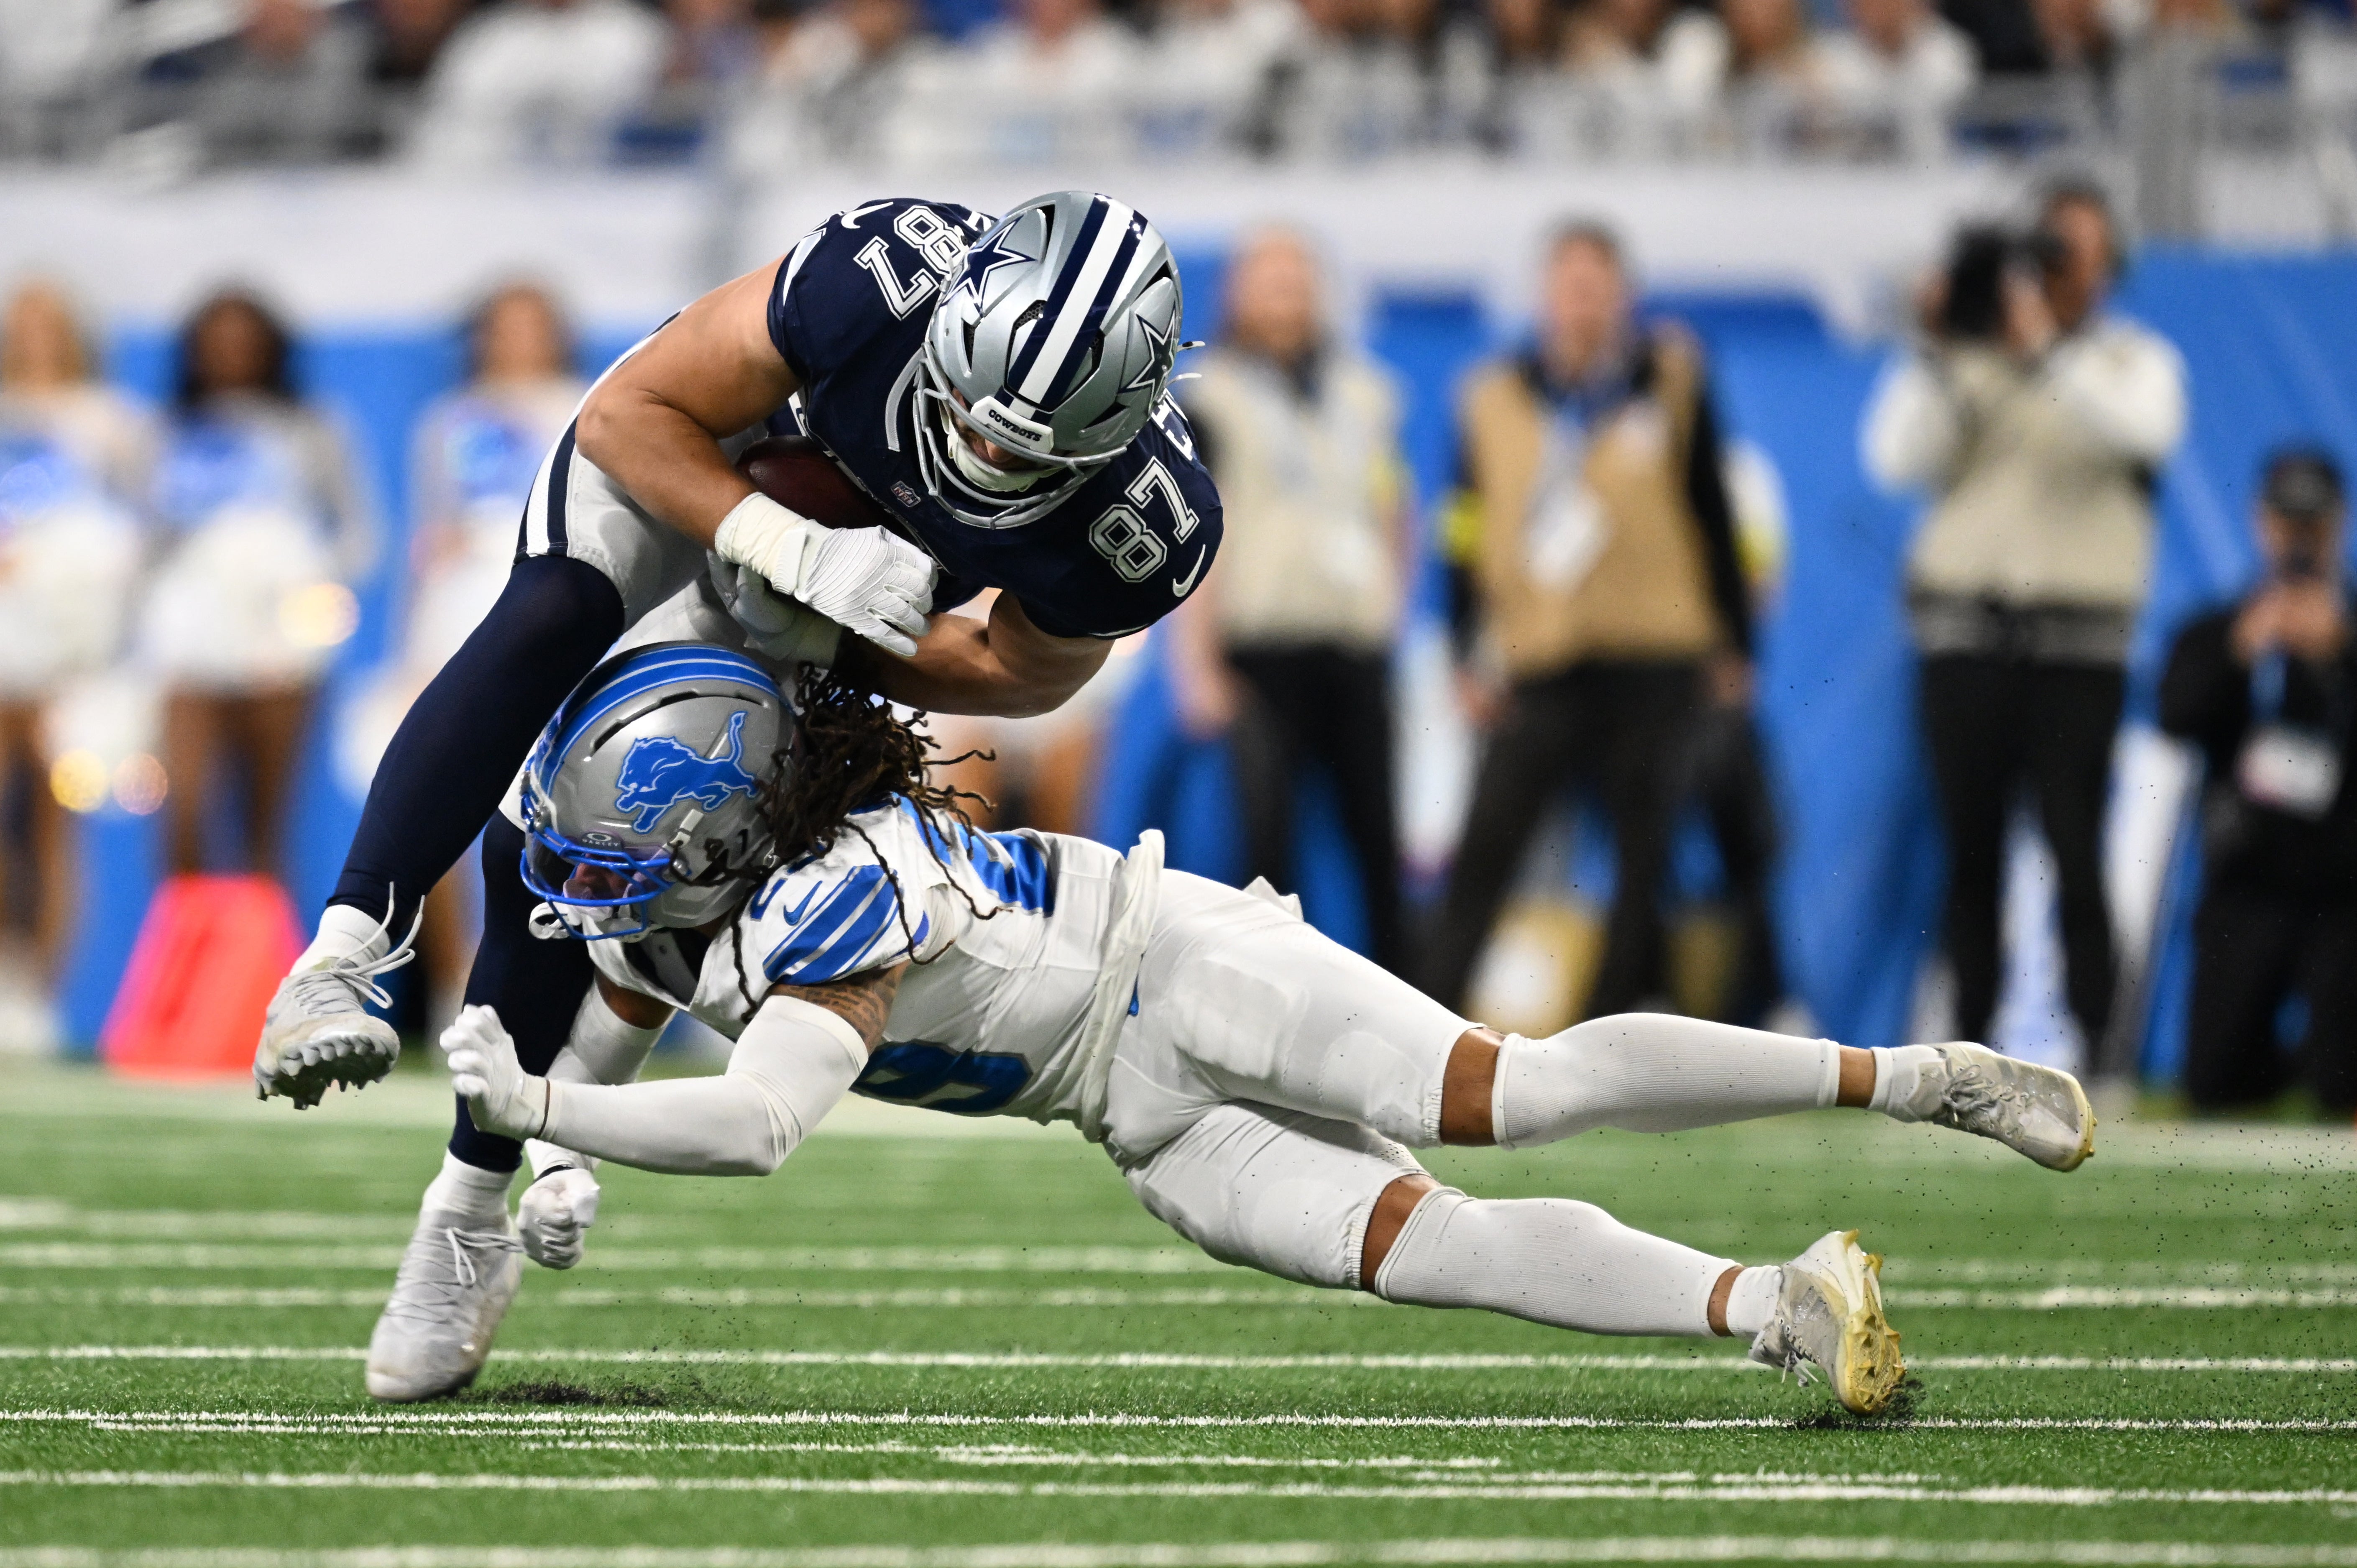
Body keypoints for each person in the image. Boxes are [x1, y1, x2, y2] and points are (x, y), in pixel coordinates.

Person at [365, 629, 2096, 1412]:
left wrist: (544, 1126)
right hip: (1127, 1112)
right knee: (1439, 1249)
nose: (586, 876)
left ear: (722, 826)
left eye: (618, 839)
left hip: (1177, 964)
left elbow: (742, 1121)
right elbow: (587, 1071)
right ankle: (1775, 1303)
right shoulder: (697, 917)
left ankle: (1917, 1074)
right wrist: (549, 1169)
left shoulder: (836, 881)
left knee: (1520, 1090)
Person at [254, 187, 1219, 1209]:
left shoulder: (1145, 522)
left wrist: (829, 633)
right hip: (705, 452)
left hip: (854, 593)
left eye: (1027, 453)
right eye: (967, 412)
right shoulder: (881, 280)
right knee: (553, 616)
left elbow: (1013, 670)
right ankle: (339, 956)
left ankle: (472, 1197)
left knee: (622, 803)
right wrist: (782, 541)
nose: (984, 453)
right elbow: (633, 413)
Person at [1862, 180, 2186, 1063]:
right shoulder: (1972, 362)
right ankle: (1967, 1057)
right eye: (2043, 250)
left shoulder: (2131, 360)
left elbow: (2147, 432)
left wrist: (2043, 347)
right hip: (1965, 637)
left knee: (2075, 849)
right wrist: (1936, 347)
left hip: (2078, 648)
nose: (2056, 269)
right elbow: (1893, 459)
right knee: (1969, 853)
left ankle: (2098, 1046)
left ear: (2108, 265)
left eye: (2073, 251)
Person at [1427, 222, 1753, 1022]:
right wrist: (1464, 650)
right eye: (1570, 285)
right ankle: (1429, 1015)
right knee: (1486, 847)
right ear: (1544, 296)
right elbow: (1463, 531)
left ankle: (1622, 1030)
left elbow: (1714, 512)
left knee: (1648, 855)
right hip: (1541, 654)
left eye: (1599, 286)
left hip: (1655, 653)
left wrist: (1737, 640)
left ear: (1625, 298)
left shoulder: (1670, 380)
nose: (1584, 303)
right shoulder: (1492, 395)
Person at [1169, 228, 1412, 973]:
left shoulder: (1366, 393)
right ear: (1239, 292)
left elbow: (1395, 507)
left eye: (1298, 278)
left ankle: (1418, 1022)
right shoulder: (1214, 399)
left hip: (1351, 646)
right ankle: (1269, 1013)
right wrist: (1196, 663)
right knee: (1267, 849)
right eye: (1269, 279)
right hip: (1260, 654)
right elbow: (1192, 533)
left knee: (1378, 842)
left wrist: (1390, 603)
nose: (1286, 295)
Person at [378, 283, 588, 1021]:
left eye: (533, 325)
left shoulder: (586, 402)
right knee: (442, 795)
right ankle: (451, 989)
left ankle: (563, 985)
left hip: (551, 599)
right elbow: (426, 541)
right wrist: (407, 653)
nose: (517, 341)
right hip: (456, 609)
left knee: (564, 801)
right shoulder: (449, 422)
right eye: (503, 327)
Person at [145, 289, 376, 885]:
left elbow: (359, 532)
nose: (231, 353)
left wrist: (305, 579)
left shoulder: (310, 429)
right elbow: (143, 534)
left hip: (280, 642)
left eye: (245, 339)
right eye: (217, 340)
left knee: (266, 826)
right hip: (188, 641)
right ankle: (190, 963)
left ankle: (263, 972)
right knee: (184, 816)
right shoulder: (168, 430)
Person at [2158, 448, 2357, 1118]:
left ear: (2338, 525)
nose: (2299, 539)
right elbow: (2175, 714)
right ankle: (2283, 1069)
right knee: (2214, 1084)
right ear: (2261, 523)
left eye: (2314, 524)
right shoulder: (2220, 629)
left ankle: (2320, 1066)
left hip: (2345, 891)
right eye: (2287, 522)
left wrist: (2341, 655)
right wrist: (2241, 652)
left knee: (2345, 1087)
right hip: (2247, 882)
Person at [0, 280, 149, 1017]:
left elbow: (137, 530)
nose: (35, 338)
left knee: (56, 819)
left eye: (49, 323)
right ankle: (6, 972)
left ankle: (41, 996)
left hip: (70, 648)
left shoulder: (111, 422)